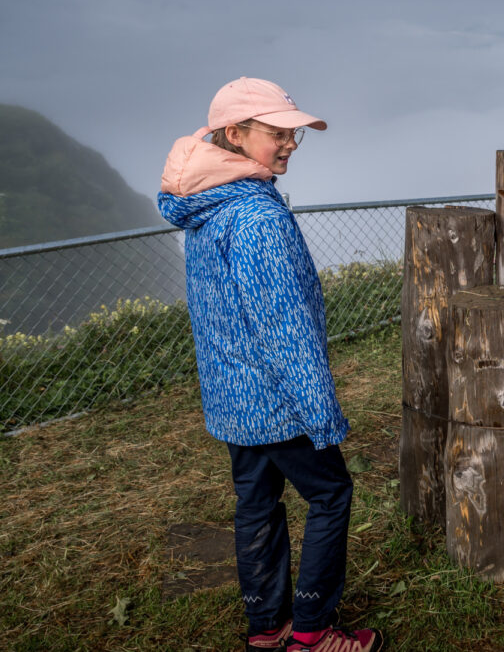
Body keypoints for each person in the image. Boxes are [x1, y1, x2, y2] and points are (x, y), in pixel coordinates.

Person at [157, 77, 382, 652]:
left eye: (294, 136)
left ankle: (268, 627)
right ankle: (311, 632)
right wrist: (321, 413)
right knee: (331, 496)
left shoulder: (208, 205)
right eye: (277, 135)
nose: (288, 146)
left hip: (232, 396)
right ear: (234, 133)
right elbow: (285, 330)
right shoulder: (258, 219)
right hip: (277, 401)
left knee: (256, 504)